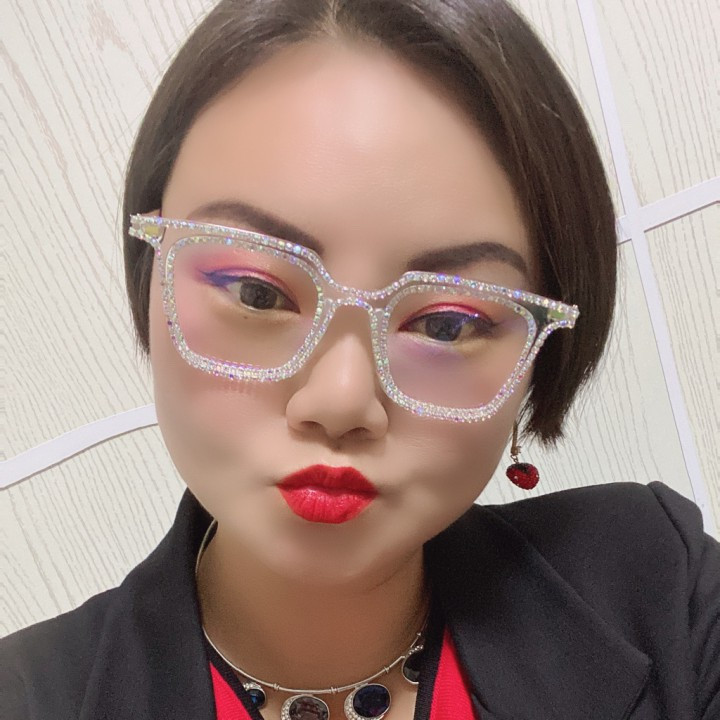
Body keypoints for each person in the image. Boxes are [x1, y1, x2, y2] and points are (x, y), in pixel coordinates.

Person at [1, 0, 717, 718]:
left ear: (538, 353)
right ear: (151, 272)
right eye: (256, 292)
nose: (341, 401)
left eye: (446, 323)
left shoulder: (660, 588)